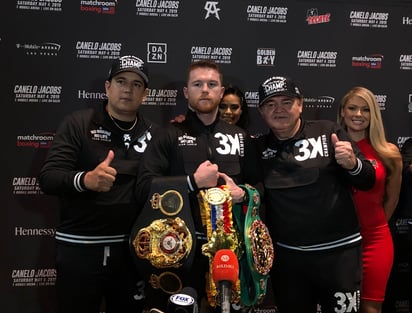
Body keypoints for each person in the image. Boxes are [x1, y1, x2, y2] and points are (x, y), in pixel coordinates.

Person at [134, 60, 261, 312]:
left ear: (222, 92)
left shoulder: (240, 137)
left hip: (230, 252)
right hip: (179, 252)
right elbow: (144, 188)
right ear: (186, 92)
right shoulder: (168, 135)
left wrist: (244, 193)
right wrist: (191, 183)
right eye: (197, 84)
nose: (205, 90)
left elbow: (259, 185)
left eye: (212, 84)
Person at [39, 55, 157, 313]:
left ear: (145, 94)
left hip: (132, 251)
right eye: (121, 81)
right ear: (107, 87)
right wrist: (85, 180)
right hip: (80, 249)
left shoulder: (155, 133)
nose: (128, 89)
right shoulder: (78, 123)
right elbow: (48, 178)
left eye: (137, 84)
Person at [254, 76, 376, 313]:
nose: (279, 109)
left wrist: (352, 165)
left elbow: (368, 180)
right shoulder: (257, 148)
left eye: (286, 102)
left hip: (339, 255)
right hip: (290, 261)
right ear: (261, 112)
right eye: (270, 104)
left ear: (300, 104)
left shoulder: (328, 131)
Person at [337, 86, 402, 313]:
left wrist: (373, 226)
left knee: (371, 308)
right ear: (342, 112)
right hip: (338, 243)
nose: (358, 114)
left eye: (366, 109)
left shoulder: (389, 152)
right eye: (352, 108)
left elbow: (391, 200)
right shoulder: (328, 148)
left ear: (374, 114)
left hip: (375, 240)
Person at [170, 83, 250, 130]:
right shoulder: (201, 136)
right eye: (222, 106)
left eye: (234, 107)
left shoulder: (248, 141)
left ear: (241, 110)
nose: (228, 112)